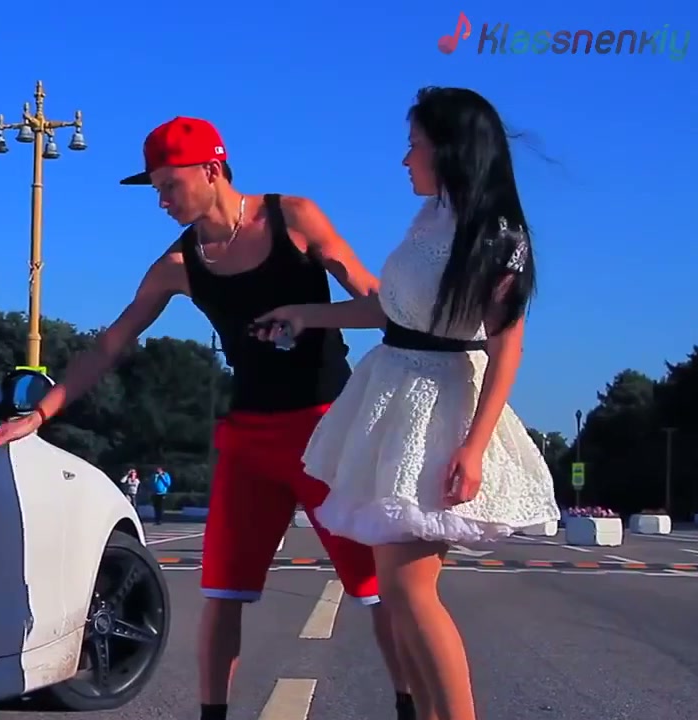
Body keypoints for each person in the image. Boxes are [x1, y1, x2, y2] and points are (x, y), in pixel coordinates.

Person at [0, 116, 415, 720]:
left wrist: (415, 331)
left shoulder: (294, 218)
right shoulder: (179, 264)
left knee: (376, 589)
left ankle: (409, 704)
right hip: (251, 436)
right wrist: (40, 412)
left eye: (169, 185)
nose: (162, 201)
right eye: (156, 189)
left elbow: (373, 296)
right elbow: (111, 343)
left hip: (329, 430)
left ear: (211, 169)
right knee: (223, 593)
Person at [252, 86, 561, 720]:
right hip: (395, 397)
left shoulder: (497, 237)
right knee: (398, 592)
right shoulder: (431, 218)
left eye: (414, 145)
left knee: (411, 590)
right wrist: (303, 314)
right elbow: (393, 313)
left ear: (450, 150)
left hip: (440, 407)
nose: (404, 159)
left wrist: (474, 447)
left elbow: (506, 348)